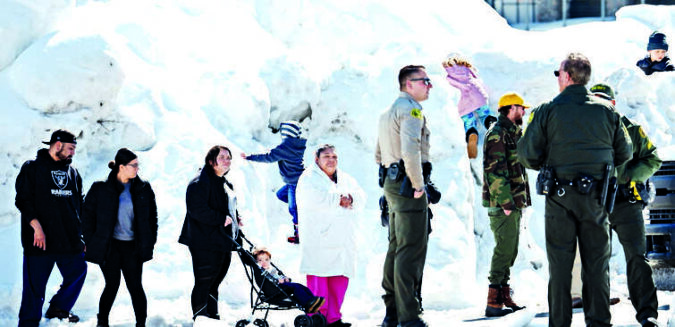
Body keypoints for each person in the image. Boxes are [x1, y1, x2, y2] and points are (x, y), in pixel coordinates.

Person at [518, 53, 633, 327]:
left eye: (558, 74)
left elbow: (526, 154)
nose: (557, 79)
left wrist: (548, 159)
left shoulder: (546, 110)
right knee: (596, 264)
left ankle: (559, 323)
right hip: (595, 198)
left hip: (559, 198)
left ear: (567, 77)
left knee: (560, 267)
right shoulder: (607, 111)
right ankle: (599, 322)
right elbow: (625, 151)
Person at [590, 83, 662, 327]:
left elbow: (653, 159)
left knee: (637, 258)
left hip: (625, 202)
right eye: (594, 100)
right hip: (594, 203)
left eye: (603, 100)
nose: (599, 104)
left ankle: (647, 313)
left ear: (612, 103)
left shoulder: (630, 128)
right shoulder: (581, 130)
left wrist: (629, 175)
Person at [375, 65, 432, 327]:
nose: (429, 85)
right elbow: (410, 150)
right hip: (408, 185)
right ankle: (409, 315)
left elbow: (378, 153)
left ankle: (393, 312)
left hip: (391, 181)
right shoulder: (411, 109)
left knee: (396, 247)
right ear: (409, 84)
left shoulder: (387, 112)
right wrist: (419, 184)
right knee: (411, 250)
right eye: (425, 81)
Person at [15, 129, 87, 326]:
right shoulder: (32, 168)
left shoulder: (73, 173)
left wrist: (82, 237)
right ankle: (28, 323)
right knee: (34, 289)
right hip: (40, 241)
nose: (73, 153)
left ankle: (58, 308)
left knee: (79, 270)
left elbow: (78, 207)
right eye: (70, 148)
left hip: (68, 240)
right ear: (57, 144)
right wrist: (36, 226)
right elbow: (23, 200)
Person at [82, 148, 158, 327]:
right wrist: (91, 241)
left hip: (133, 247)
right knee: (112, 284)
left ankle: (141, 323)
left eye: (138, 165)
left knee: (135, 286)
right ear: (121, 167)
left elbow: (152, 218)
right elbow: (86, 216)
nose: (137, 168)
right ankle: (102, 322)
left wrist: (150, 240)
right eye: (134, 165)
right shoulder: (100, 188)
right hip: (110, 247)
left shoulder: (143, 188)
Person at [296, 144, 365, 327]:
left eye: (334, 157)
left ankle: (334, 318)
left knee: (339, 281)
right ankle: (317, 318)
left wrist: (351, 198)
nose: (331, 160)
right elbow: (314, 199)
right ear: (316, 158)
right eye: (326, 156)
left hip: (342, 240)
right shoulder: (308, 179)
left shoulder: (345, 178)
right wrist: (338, 199)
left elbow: (361, 195)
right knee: (319, 281)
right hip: (320, 239)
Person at [179, 145, 243, 320]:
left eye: (229, 157)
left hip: (222, 240)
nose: (227, 160)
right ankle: (200, 318)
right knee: (204, 281)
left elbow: (227, 206)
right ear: (210, 161)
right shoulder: (199, 182)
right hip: (203, 242)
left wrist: (236, 218)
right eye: (222, 157)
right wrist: (220, 218)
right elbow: (196, 209)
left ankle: (212, 317)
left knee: (215, 282)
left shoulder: (225, 183)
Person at [482, 92, 532, 317]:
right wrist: (505, 202)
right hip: (504, 203)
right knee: (504, 249)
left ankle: (502, 295)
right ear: (511, 108)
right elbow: (495, 171)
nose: (524, 112)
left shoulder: (511, 133)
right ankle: (493, 301)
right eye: (522, 108)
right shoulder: (498, 134)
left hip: (511, 202)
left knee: (509, 249)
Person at [241, 121, 306, 244]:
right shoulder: (297, 145)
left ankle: (300, 235)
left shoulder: (286, 147)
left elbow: (269, 157)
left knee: (293, 208)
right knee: (280, 195)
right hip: (295, 180)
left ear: (286, 134)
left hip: (294, 182)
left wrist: (250, 157)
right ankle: (303, 205)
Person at [442, 54, 496, 159]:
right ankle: (491, 124)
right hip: (477, 95)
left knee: (468, 121)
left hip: (463, 100)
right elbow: (476, 78)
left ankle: (471, 132)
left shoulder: (446, 72)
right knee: (485, 114)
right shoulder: (466, 68)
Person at [251, 247, 325, 313]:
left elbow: (278, 276)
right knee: (295, 288)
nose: (264, 262)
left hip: (280, 286)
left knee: (299, 286)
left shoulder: (271, 269)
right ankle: (307, 303)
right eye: (260, 260)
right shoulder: (262, 272)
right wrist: (278, 281)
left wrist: (285, 278)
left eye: (266, 259)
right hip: (275, 289)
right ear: (257, 262)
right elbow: (269, 281)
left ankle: (312, 300)